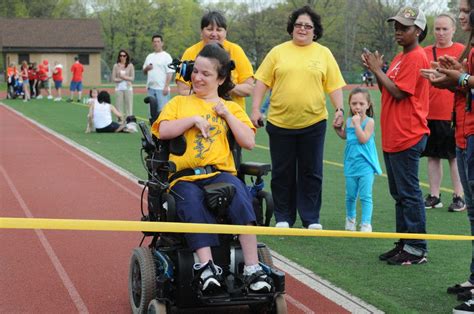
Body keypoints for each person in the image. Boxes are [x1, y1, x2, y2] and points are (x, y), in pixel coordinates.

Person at [151, 43, 273, 295]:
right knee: (191, 200)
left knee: (240, 194)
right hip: (185, 177)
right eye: (195, 71)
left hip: (220, 174)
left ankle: (252, 268)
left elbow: (248, 142)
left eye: (206, 74)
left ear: (220, 78)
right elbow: (162, 131)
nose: (197, 77)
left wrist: (226, 114)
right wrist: (193, 120)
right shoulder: (179, 103)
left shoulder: (232, 107)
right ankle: (205, 268)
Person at [250, 6, 345, 230]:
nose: (302, 29)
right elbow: (262, 82)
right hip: (280, 123)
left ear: (315, 31)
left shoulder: (323, 53)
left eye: (308, 26)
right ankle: (284, 216)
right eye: (299, 24)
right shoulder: (278, 52)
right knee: (283, 172)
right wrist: (255, 109)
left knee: (311, 172)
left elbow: (334, 86)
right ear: (292, 27)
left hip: (313, 123)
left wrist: (339, 109)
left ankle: (311, 218)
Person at [362, 6, 430, 265]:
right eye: (397, 27)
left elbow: (401, 93)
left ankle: (416, 247)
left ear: (419, 31)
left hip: (408, 134)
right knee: (400, 193)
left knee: (409, 193)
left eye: (405, 28)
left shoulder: (416, 57)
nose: (399, 31)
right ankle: (405, 241)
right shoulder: (402, 57)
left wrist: (378, 70)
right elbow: (387, 90)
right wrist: (377, 70)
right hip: (395, 134)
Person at [421, 0, 474, 312]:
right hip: (464, 133)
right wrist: (454, 80)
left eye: (467, 10)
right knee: (472, 215)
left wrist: (461, 79)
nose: (462, 15)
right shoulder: (468, 47)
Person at [422, 13, 465, 211]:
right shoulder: (425, 52)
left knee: (453, 157)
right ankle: (434, 195)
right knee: (432, 156)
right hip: (429, 112)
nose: (440, 33)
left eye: (445, 29)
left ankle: (459, 196)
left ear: (453, 29)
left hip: (453, 113)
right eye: (437, 29)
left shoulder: (462, 51)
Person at [176, 11, 254, 111]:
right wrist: (208, 92)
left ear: (225, 32)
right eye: (209, 29)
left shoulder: (236, 50)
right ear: (201, 31)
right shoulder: (190, 52)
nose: (214, 34)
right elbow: (182, 90)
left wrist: (225, 87)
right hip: (197, 114)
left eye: (219, 30)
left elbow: (248, 89)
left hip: (233, 115)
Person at [333, 87, 382, 232]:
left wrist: (356, 124)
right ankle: (350, 219)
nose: (357, 107)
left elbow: (362, 139)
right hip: (351, 164)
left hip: (365, 165)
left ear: (368, 105)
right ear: (349, 105)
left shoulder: (369, 122)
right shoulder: (349, 121)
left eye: (361, 103)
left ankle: (366, 223)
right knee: (350, 195)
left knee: (366, 196)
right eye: (354, 103)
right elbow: (347, 136)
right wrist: (338, 129)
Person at [143, 34, 174, 117]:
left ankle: (163, 130)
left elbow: (170, 72)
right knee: (151, 114)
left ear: (162, 43)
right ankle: (152, 129)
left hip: (161, 89)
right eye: (154, 42)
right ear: (152, 44)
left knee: (162, 113)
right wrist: (147, 68)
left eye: (158, 41)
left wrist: (166, 86)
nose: (156, 43)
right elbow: (144, 72)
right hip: (151, 89)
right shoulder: (149, 56)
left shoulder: (166, 56)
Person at [112, 49, 135, 118]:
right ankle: (120, 123)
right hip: (118, 88)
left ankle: (129, 123)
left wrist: (124, 77)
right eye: (121, 55)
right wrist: (121, 79)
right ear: (119, 57)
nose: (122, 57)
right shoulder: (116, 66)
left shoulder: (130, 66)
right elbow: (113, 78)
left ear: (126, 56)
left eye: (124, 56)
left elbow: (132, 78)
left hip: (128, 88)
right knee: (118, 107)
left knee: (129, 107)